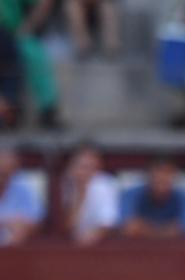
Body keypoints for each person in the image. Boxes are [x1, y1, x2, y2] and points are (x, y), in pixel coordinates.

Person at [0, 0, 63, 128]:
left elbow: (45, 3)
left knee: (33, 53)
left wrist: (27, 27)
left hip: (13, 35)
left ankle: (47, 110)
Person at [121, 154, 185, 238]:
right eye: (157, 171)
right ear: (148, 174)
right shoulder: (131, 195)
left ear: (174, 175)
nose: (161, 177)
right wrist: (165, 231)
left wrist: (146, 229)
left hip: (174, 248)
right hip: (138, 248)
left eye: (167, 172)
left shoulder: (183, 197)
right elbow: (127, 225)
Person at [58, 141, 119, 244]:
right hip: (70, 244)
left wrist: (92, 235)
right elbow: (66, 227)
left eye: (89, 167)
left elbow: (108, 222)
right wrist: (80, 195)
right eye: (80, 166)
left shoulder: (105, 185)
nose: (83, 172)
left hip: (97, 246)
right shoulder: (64, 185)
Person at [0, 142, 42, 244]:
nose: (3, 176)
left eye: (6, 172)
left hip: (13, 240)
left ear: (14, 168)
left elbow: (35, 221)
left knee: (20, 228)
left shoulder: (25, 186)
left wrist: (12, 224)